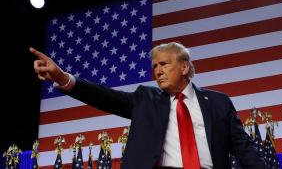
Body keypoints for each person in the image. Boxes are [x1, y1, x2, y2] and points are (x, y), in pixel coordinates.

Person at [31, 42, 267, 169]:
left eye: (164, 64)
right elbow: (104, 97)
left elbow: (244, 149)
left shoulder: (218, 102)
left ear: (184, 68)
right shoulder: (146, 98)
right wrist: (63, 78)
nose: (157, 71)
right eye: (154, 66)